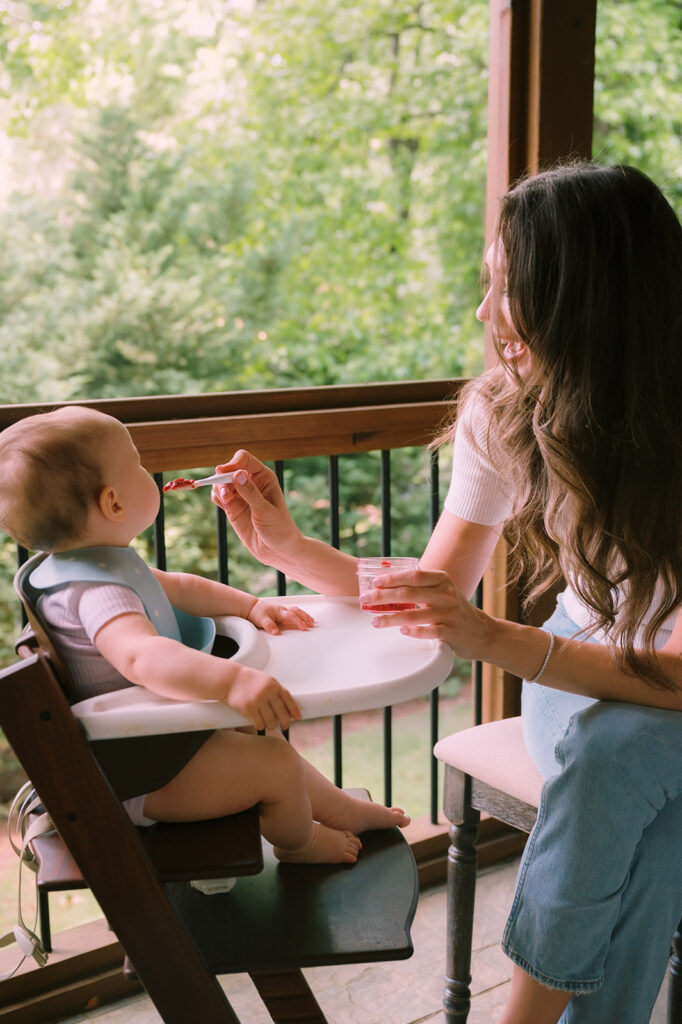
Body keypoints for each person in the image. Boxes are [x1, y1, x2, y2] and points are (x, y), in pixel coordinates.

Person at [210, 162, 682, 1023]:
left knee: (639, 780)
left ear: (583, 298)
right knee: (631, 766)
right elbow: (433, 594)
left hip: (639, 679)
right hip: (585, 663)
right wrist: (288, 544)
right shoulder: (505, 415)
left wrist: (494, 638)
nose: (482, 312)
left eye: (505, 285)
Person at [0, 406, 410, 865]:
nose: (147, 471)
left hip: (164, 740)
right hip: (147, 775)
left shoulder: (95, 565)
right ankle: (301, 844)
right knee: (272, 767)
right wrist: (234, 682)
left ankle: (342, 809)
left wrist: (251, 606)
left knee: (264, 736)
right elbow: (142, 657)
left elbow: (179, 587)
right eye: (136, 464)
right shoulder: (96, 592)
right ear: (113, 503)